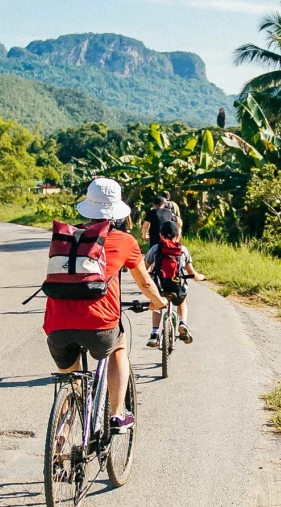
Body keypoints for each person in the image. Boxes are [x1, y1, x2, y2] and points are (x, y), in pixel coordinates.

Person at [43, 178, 168, 432]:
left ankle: (62, 435)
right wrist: (159, 302)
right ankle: (117, 415)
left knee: (71, 379)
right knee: (119, 347)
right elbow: (145, 282)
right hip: (100, 325)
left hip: (57, 325)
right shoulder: (124, 241)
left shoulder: (69, 238)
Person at [145, 220, 205, 347]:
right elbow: (192, 273)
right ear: (178, 236)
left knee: (156, 304)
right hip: (177, 288)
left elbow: (143, 268)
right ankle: (183, 323)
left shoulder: (155, 249)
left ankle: (154, 334)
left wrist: (149, 276)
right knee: (182, 302)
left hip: (160, 287)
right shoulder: (182, 250)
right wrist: (201, 277)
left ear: (161, 235)